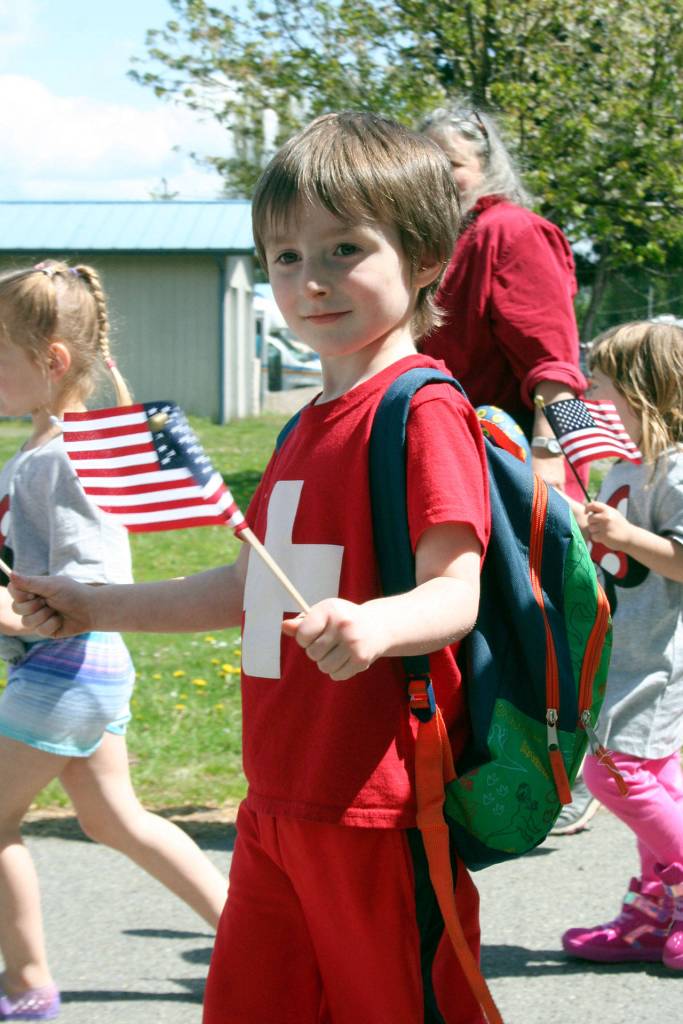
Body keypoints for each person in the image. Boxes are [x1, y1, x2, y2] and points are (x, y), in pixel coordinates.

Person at [8, 114, 492, 1024]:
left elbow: (453, 590)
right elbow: (242, 588)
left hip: (373, 804)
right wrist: (89, 603)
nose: (308, 281)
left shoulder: (421, 408)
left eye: (343, 248)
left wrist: (376, 623)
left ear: (426, 255)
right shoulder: (303, 424)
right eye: (281, 256)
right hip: (274, 799)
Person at [0, 261, 227, 1021]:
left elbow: (81, 598)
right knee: (114, 819)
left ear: (52, 361)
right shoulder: (52, 449)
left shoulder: (58, 458)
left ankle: (27, 986)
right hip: (89, 674)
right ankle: (251, 939)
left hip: (65, 670)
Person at [558, 320, 683, 968]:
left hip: (651, 658)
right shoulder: (622, 465)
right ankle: (656, 907)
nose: (587, 396)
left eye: (599, 385)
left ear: (641, 391)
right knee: (653, 779)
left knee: (615, 775)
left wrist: (628, 538)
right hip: (613, 653)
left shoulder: (675, 470)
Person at [419, 103, 588, 498]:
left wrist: (553, 456)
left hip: (517, 470)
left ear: (486, 167)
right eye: (428, 167)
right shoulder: (446, 242)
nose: (438, 179)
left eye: (452, 164)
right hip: (459, 462)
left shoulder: (514, 230)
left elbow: (558, 363)